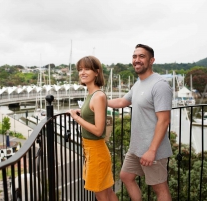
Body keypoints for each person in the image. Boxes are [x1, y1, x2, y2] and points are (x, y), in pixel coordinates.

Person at [108, 44, 173, 201]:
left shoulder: (160, 85)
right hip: (136, 148)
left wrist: (151, 151)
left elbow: (164, 121)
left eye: (141, 56)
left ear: (152, 60)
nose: (137, 60)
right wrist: (99, 100)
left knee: (160, 188)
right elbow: (123, 101)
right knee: (126, 176)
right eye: (134, 56)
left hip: (152, 149)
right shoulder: (138, 83)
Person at [68, 56, 118, 201]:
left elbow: (98, 130)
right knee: (107, 193)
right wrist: (81, 113)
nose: (82, 72)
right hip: (92, 152)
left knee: (101, 195)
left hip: (97, 152)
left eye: (87, 69)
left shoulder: (98, 96)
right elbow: (92, 114)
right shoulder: (91, 95)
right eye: (80, 69)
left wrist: (76, 118)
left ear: (96, 72)